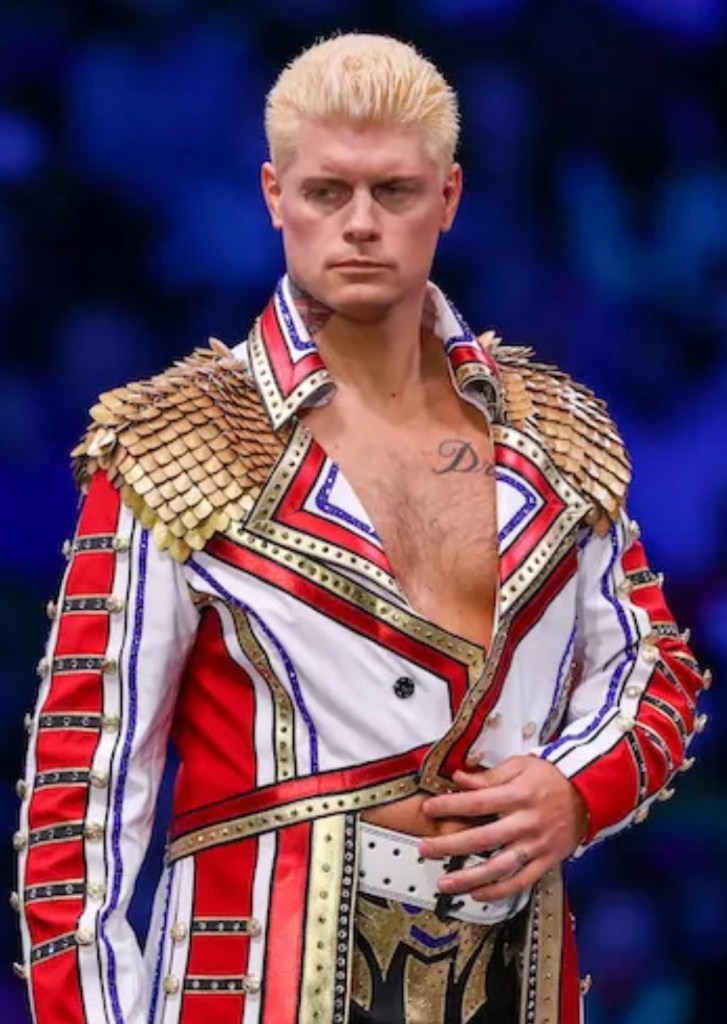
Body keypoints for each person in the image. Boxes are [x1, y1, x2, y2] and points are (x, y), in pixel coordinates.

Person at [13, 32, 708, 1024]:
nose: (361, 225)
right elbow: (79, 804)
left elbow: (653, 668)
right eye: (327, 192)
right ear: (273, 195)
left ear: (449, 197)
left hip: (513, 979)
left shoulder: (554, 428)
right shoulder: (173, 442)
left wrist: (572, 789)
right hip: (250, 982)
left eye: (394, 191)